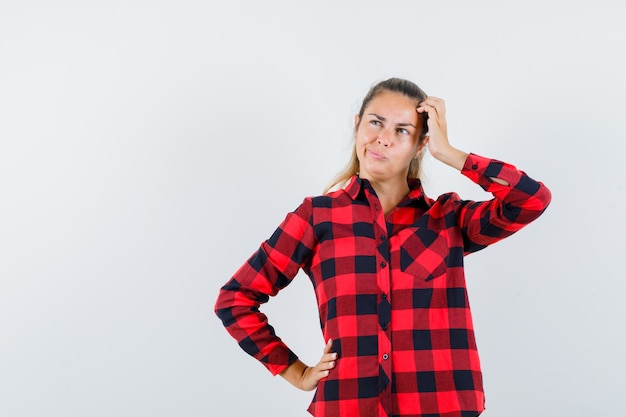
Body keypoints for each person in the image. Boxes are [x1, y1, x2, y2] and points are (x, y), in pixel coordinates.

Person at [214, 78, 551, 417]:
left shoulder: (448, 219)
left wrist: (450, 153)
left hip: (440, 407)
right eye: (376, 122)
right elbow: (235, 300)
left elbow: (531, 200)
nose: (383, 138)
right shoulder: (317, 217)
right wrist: (295, 372)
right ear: (358, 124)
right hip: (349, 408)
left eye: (403, 131)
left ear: (421, 145)